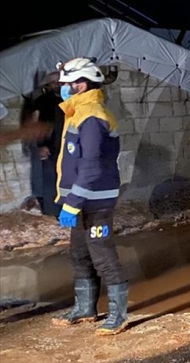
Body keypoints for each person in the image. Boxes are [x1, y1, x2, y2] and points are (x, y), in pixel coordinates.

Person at [50, 57, 129, 336]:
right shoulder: (78, 112)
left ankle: (119, 315)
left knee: (102, 253)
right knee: (79, 254)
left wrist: (72, 203)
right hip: (81, 199)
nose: (62, 89)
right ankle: (85, 309)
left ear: (80, 84)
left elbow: (91, 166)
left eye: (67, 84)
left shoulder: (93, 116)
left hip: (96, 199)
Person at [22, 72, 64, 216]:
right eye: (53, 82)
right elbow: (35, 124)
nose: (57, 84)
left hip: (68, 146)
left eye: (59, 81)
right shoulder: (43, 101)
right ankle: (53, 213)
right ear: (48, 85)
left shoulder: (71, 100)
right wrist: (40, 145)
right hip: (50, 147)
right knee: (50, 181)